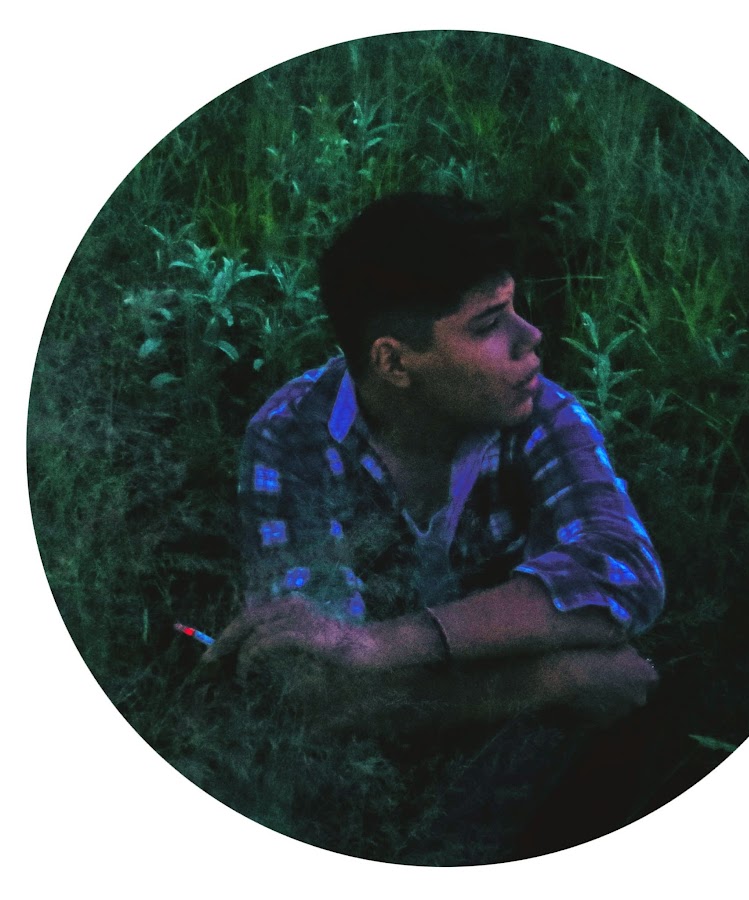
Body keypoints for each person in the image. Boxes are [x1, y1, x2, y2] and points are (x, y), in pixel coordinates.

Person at [200, 193, 665, 854]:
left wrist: (378, 647)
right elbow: (311, 692)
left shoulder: (538, 412)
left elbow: (625, 576)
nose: (531, 338)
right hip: (354, 807)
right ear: (394, 362)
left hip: (518, 769)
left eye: (516, 308)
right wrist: (554, 679)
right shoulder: (292, 433)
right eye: (489, 324)